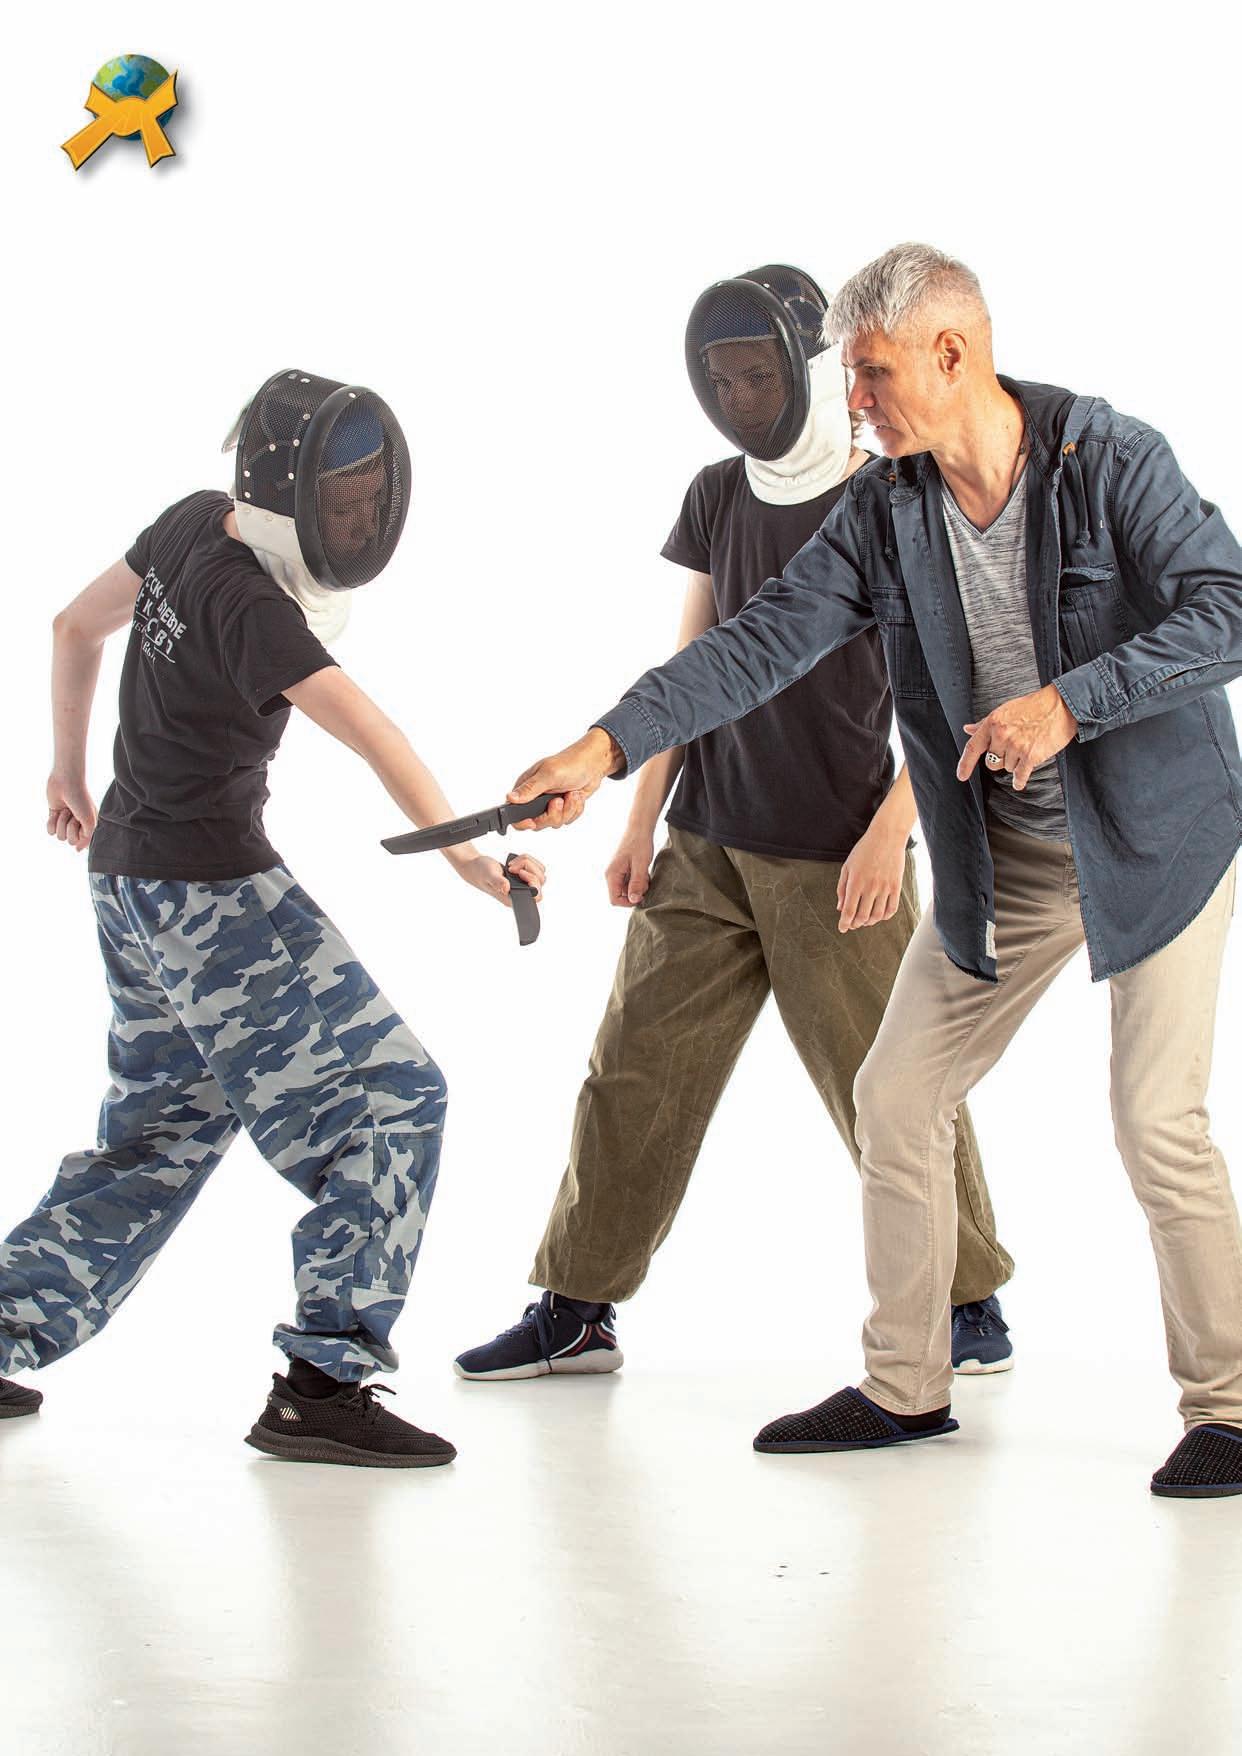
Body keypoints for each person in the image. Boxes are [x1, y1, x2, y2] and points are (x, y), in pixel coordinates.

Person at [500, 246, 1242, 1499]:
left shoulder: (1107, 459)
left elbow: (1228, 604)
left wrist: (1069, 703)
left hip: (1154, 839)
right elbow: (756, 643)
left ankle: (1228, 1407)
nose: (852, 401)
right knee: (897, 1095)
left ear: (953, 354)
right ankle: (907, 1385)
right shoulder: (889, 508)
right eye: (850, 375)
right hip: (1011, 854)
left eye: (873, 372)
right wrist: (604, 746)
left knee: (1154, 1121)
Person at [455, 266, 1013, 1386]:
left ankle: (970, 1302)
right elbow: (695, 665)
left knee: (894, 1091)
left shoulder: (895, 498)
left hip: (838, 855)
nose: (741, 395)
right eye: (723, 379)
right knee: (632, 1074)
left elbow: (961, 696)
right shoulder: (718, 492)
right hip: (705, 843)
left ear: (814, 369)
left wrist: (889, 834)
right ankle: (577, 1307)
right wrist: (640, 820)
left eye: (759, 374)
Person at [0, 369, 545, 1469]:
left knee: (158, 1134)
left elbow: (72, 625)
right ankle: (323, 1385)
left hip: (128, 880)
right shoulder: (256, 609)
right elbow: (376, 733)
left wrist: (69, 772)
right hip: (211, 895)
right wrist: (468, 858)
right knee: (395, 1101)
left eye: (368, 494)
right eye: (342, 499)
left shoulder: (191, 521)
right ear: (285, 491)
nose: (359, 514)